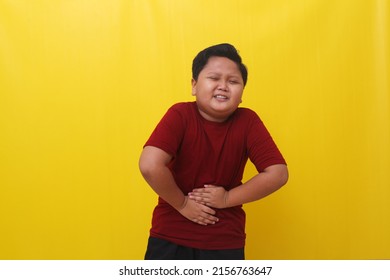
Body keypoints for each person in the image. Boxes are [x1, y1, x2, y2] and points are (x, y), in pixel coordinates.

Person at [139, 43, 288, 260]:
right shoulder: (180, 114)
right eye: (214, 78)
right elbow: (149, 165)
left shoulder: (247, 121)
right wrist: (182, 204)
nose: (223, 86)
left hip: (224, 239)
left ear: (242, 93)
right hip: (171, 234)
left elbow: (278, 173)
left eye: (233, 81)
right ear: (194, 85)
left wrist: (227, 198)